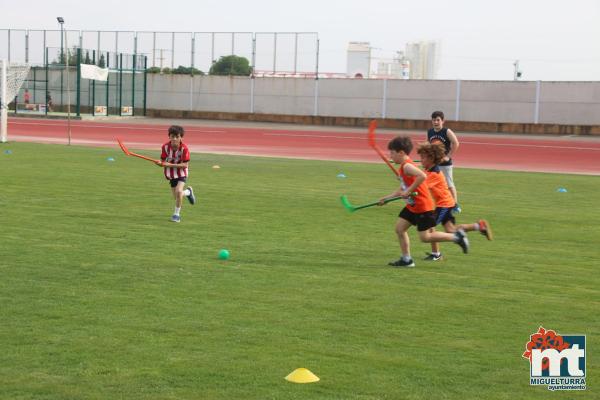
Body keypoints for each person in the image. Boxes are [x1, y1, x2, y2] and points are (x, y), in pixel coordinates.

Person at [377, 136, 469, 268]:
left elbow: (422, 176)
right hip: (412, 206)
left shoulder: (407, 166)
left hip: (422, 206)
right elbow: (402, 189)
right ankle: (407, 260)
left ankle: (457, 237)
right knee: (400, 229)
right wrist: (387, 198)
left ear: (401, 153)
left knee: (425, 237)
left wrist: (409, 190)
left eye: (392, 152)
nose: (390, 156)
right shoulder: (403, 167)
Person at [417, 142, 492, 261]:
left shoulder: (433, 173)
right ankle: (478, 226)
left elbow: (422, 186)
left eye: (422, 158)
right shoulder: (429, 170)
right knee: (450, 229)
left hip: (444, 205)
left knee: (430, 226)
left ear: (431, 159)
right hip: (447, 203)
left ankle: (436, 254)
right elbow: (420, 177)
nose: (420, 160)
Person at [156, 125, 196, 222]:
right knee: (177, 196)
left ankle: (176, 215)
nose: (174, 139)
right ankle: (188, 192)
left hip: (181, 173)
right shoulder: (165, 147)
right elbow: (162, 161)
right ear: (169, 136)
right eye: (172, 136)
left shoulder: (184, 149)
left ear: (181, 137)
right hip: (171, 174)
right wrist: (160, 163)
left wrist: (169, 164)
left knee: (178, 192)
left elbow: (185, 165)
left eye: (177, 137)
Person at [427, 110, 460, 212]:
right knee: (432, 185)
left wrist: (448, 156)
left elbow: (456, 143)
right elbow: (430, 146)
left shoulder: (446, 131)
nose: (436, 122)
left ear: (443, 121)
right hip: (435, 164)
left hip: (445, 165)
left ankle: (455, 205)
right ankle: (434, 204)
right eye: (434, 120)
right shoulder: (430, 132)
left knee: (449, 185)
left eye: (438, 120)